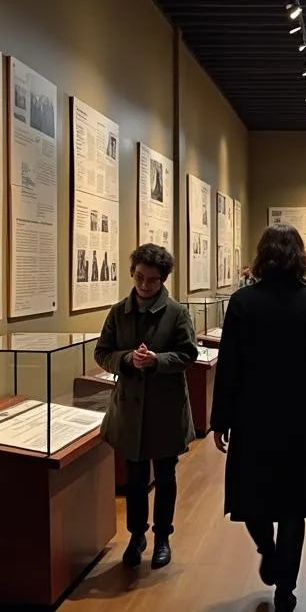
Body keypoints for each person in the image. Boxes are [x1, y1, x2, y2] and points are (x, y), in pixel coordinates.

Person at [210, 224, 306, 612]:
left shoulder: (243, 303)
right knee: (293, 504)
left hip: (253, 414)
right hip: (300, 416)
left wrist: (222, 419)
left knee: (254, 495)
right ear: (300, 255)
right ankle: (286, 587)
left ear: (262, 254)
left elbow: (229, 366)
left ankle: (267, 552)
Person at [95, 244, 199, 571]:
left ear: (162, 280)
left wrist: (156, 360)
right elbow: (103, 352)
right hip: (129, 408)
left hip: (165, 407)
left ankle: (163, 537)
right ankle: (136, 535)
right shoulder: (118, 312)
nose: (144, 285)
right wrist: (126, 359)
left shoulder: (177, 313)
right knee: (135, 479)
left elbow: (187, 353)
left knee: (165, 476)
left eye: (152, 281)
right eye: (139, 278)